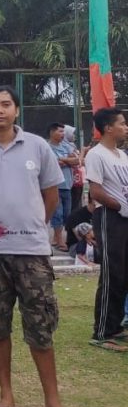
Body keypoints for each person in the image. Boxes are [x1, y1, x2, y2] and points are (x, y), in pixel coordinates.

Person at [0, 86, 91, 407]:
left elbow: (50, 196)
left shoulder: (37, 146)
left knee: (40, 325)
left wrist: (31, 227)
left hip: (32, 250)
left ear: (16, 109)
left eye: (5, 104)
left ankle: (52, 402)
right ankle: (6, 395)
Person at [85, 107, 128, 350]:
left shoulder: (122, 156)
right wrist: (120, 206)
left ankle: (115, 326)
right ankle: (102, 332)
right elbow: (96, 191)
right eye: (122, 123)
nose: (126, 127)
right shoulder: (96, 154)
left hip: (125, 218)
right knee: (112, 274)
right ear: (108, 128)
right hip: (109, 217)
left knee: (124, 273)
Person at [46, 123, 78, 252]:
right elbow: (53, 164)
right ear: (52, 132)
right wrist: (66, 160)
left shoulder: (65, 145)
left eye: (63, 132)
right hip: (54, 186)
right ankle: (60, 241)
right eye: (60, 131)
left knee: (67, 214)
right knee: (57, 214)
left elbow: (76, 160)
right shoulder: (47, 147)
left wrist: (64, 160)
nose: (63, 134)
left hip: (67, 185)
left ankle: (56, 238)